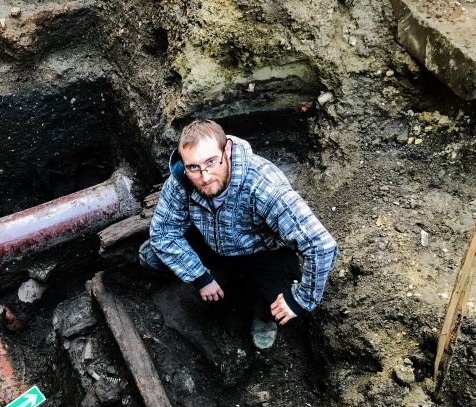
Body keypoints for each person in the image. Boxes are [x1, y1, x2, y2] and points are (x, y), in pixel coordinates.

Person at [139, 119, 338, 350]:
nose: (205, 177)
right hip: (209, 237)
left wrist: (302, 299)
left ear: (228, 150)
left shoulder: (263, 185)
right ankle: (216, 272)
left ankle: (263, 312)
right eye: (194, 167)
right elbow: (163, 231)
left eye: (211, 162)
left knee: (292, 314)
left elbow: (320, 245)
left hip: (261, 250)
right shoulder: (182, 181)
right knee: (150, 257)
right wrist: (199, 277)